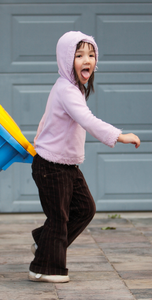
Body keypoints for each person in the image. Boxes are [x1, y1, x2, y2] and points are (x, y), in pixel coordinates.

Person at [29, 31, 140, 283]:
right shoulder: (66, 90)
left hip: (66, 165)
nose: (87, 60)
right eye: (79, 55)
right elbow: (87, 120)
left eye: (91, 54)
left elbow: (48, 118)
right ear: (66, 60)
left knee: (85, 208)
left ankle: (44, 242)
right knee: (59, 217)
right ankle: (43, 267)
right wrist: (119, 135)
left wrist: (38, 138)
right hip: (51, 166)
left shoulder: (73, 88)